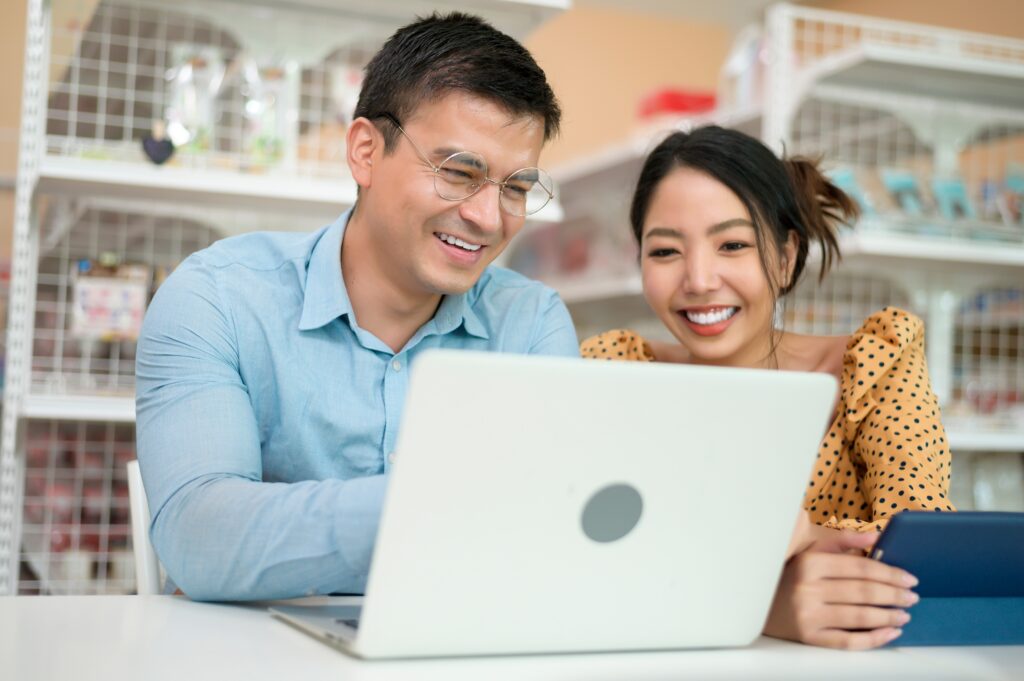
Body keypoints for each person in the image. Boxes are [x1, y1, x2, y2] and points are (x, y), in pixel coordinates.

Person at [135, 13, 578, 601]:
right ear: (366, 151)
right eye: (459, 173)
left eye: (517, 188)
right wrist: (443, 505)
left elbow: (549, 539)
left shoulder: (532, 323)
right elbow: (200, 539)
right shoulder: (218, 299)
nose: (490, 219)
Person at [581, 125, 955, 650]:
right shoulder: (615, 371)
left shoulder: (874, 365)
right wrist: (767, 595)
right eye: (665, 252)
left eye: (732, 244)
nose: (700, 279)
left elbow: (921, 557)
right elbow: (577, 558)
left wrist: (698, 555)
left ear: (783, 258)